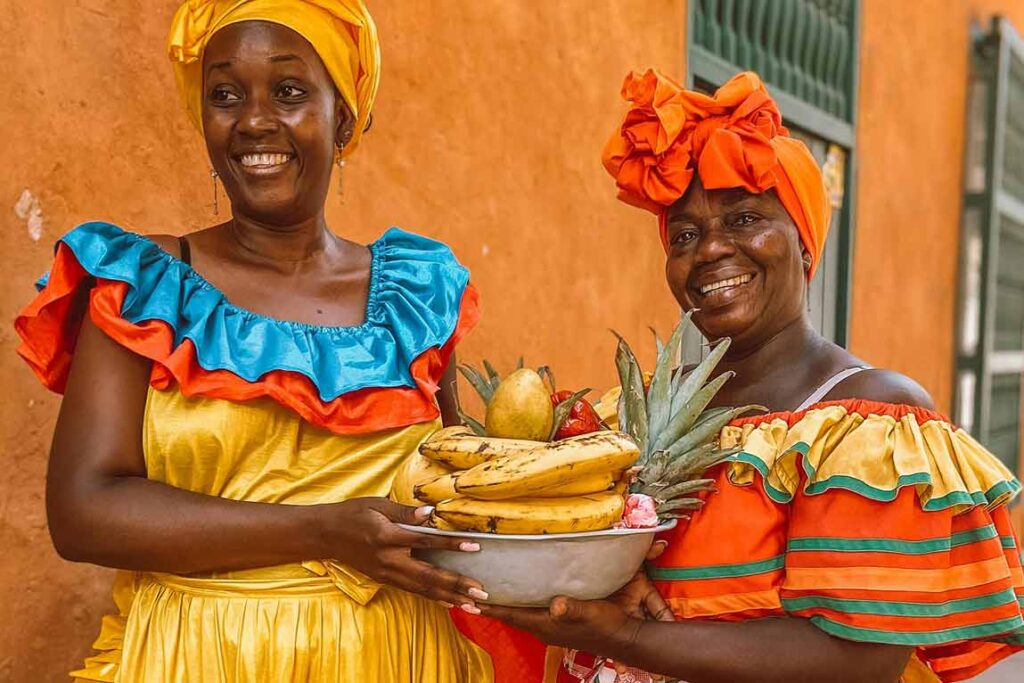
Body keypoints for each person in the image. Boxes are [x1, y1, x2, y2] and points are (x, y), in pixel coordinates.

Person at [481, 70, 1024, 683]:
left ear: (804, 243)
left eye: (743, 219)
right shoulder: (630, 414)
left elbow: (862, 656)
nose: (710, 250)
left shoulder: (870, 424)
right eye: (685, 234)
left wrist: (629, 638)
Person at [14, 1, 494, 680]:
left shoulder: (420, 293)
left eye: (290, 91)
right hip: (201, 656)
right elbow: (82, 511)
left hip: (393, 658)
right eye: (224, 95)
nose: (254, 121)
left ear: (344, 115)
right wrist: (324, 530)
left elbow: (454, 490)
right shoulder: (146, 287)